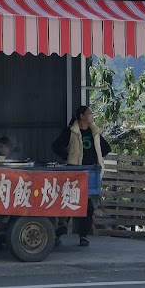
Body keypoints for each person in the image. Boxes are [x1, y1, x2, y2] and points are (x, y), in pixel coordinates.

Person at [52, 105, 111, 247]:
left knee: (88, 206)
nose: (91, 115)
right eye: (89, 113)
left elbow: (107, 148)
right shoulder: (71, 131)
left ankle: (83, 235)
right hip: (74, 171)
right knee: (69, 202)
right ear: (81, 116)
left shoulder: (94, 132)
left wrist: (96, 158)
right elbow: (56, 146)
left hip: (90, 172)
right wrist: (69, 157)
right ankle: (57, 234)